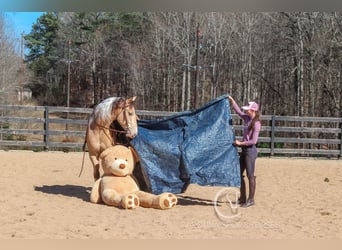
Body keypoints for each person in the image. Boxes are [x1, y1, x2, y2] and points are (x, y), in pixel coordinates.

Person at [228, 95, 261, 207]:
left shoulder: (256, 124)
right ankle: (242, 197)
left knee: (250, 175)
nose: (245, 111)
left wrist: (240, 143)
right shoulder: (247, 118)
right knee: (239, 174)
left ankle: (250, 199)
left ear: (253, 110)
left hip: (250, 151)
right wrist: (232, 100)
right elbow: (238, 112)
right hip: (244, 150)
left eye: (248, 109)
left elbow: (253, 141)